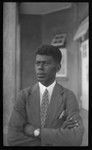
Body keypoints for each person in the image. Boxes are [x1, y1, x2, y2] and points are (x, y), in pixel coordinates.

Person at [7, 44, 84, 146]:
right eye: (37, 63)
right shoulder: (23, 96)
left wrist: (36, 131)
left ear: (58, 67)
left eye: (46, 63)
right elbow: (13, 138)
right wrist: (56, 137)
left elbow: (76, 138)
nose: (40, 68)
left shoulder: (68, 96)